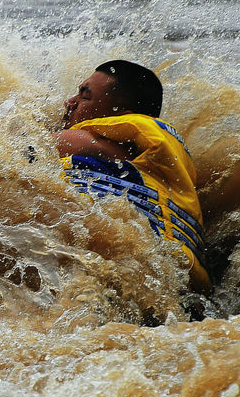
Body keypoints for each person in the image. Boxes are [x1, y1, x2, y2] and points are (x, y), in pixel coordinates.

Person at [56, 60, 211, 293]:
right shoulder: (166, 165)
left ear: (120, 115)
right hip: (179, 286)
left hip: (124, 276)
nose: (70, 102)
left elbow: (19, 146)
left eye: (84, 97)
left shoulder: (84, 142)